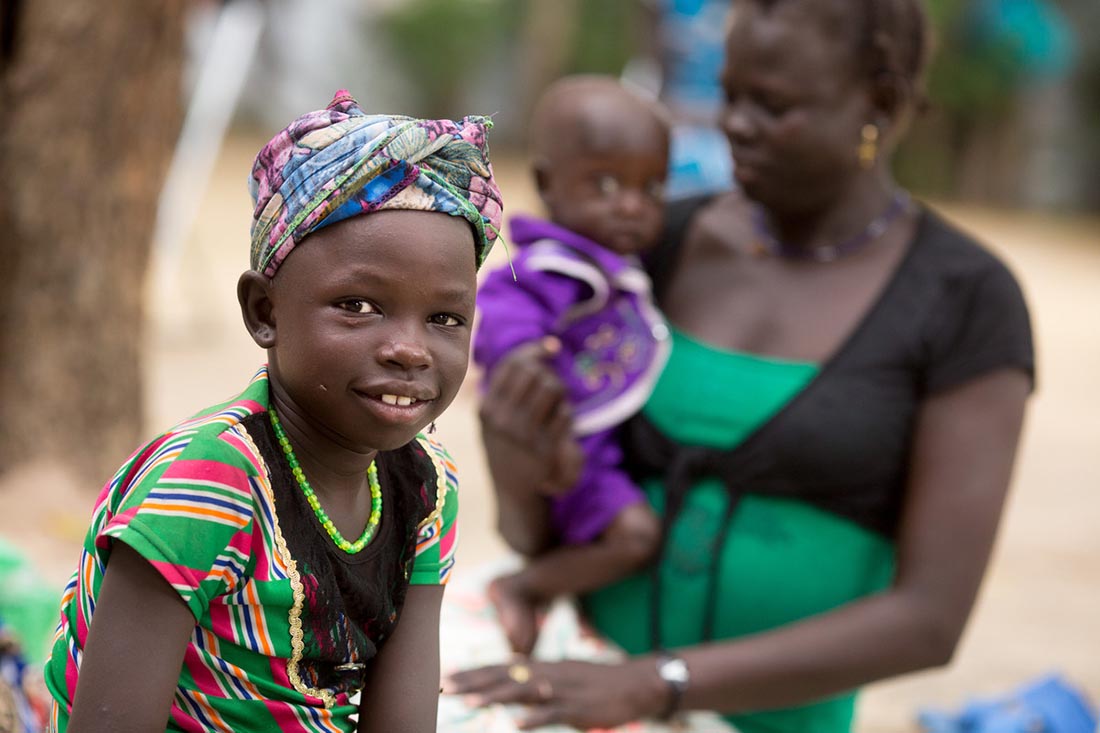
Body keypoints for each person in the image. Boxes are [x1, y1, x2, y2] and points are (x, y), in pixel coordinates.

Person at [446, 1, 1035, 732]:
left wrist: (660, 682)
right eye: (729, 95)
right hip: (582, 686)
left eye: (773, 104)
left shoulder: (963, 298)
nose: (735, 124)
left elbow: (930, 619)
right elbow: (545, 534)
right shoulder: (653, 244)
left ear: (877, 104)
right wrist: (515, 457)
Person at [43, 90, 503, 733]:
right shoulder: (206, 482)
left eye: (445, 318)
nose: (409, 349)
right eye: (358, 306)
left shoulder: (427, 484)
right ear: (265, 312)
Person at [473, 75, 671, 656]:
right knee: (635, 538)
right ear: (546, 185)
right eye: (606, 184)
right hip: (563, 442)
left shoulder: (612, 263)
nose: (632, 205)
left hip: (593, 447)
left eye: (652, 187)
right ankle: (523, 589)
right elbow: (504, 303)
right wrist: (521, 354)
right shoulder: (557, 265)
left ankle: (549, 594)